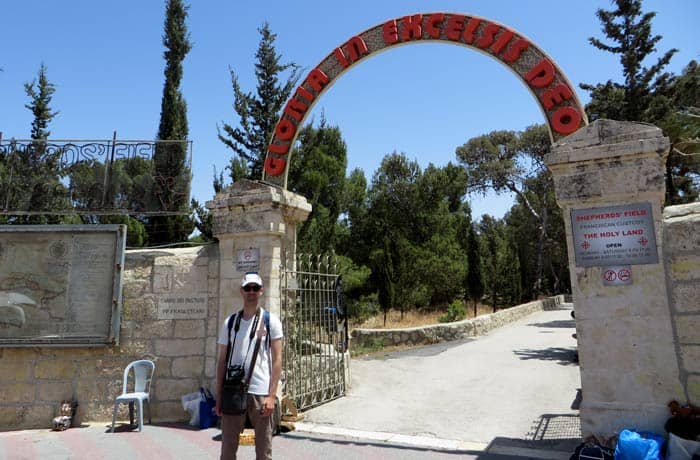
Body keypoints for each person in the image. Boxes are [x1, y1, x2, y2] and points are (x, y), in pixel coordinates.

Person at [216, 272, 283, 460]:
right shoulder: (230, 323)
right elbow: (221, 360)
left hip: (260, 392)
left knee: (263, 449)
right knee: (228, 449)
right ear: (241, 291)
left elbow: (277, 359)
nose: (251, 292)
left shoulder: (271, 321)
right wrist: (219, 396)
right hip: (233, 391)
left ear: (261, 291)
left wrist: (272, 395)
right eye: (247, 288)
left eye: (255, 288)